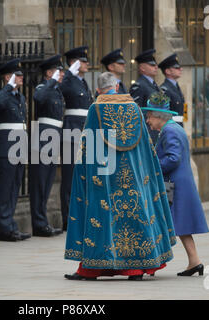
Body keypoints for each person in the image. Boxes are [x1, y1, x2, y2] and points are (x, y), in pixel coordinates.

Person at [64, 73, 176, 281]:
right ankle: (137, 269)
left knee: (101, 217)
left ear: (98, 90)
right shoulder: (133, 108)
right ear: (116, 86)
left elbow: (90, 147)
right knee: (135, 215)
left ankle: (91, 269)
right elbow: (144, 147)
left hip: (105, 178)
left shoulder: (95, 109)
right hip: (133, 176)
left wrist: (86, 176)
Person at [144, 91, 209, 276]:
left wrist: (153, 169)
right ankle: (194, 262)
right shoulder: (174, 128)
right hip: (179, 184)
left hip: (174, 186)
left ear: (158, 116)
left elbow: (173, 159)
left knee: (160, 224)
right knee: (180, 226)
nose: (148, 121)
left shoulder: (170, 130)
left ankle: (152, 265)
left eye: (149, 117)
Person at [0, 59, 31, 242]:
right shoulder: (0, 94)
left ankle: (10, 226)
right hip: (6, 148)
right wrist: (8, 87)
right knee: (5, 189)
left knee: (15, 188)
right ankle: (4, 229)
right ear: (8, 77)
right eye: (17, 75)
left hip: (19, 146)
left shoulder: (20, 97)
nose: (22, 78)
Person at [30, 55, 64, 237]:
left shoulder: (56, 89)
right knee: (40, 182)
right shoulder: (45, 86)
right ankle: (38, 223)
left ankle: (43, 221)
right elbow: (38, 97)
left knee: (48, 180)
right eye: (59, 72)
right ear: (49, 73)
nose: (62, 75)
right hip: (43, 135)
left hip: (54, 136)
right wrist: (51, 81)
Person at [60, 46, 93, 231]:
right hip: (71, 132)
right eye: (83, 60)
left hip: (84, 132)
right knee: (69, 178)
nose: (87, 63)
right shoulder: (69, 80)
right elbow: (60, 90)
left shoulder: (82, 82)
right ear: (74, 63)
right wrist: (69, 75)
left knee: (82, 176)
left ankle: (79, 216)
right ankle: (67, 218)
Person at [130, 49, 160, 143]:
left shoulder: (154, 85)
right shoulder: (139, 85)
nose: (156, 67)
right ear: (142, 68)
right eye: (152, 65)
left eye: (155, 65)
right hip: (147, 133)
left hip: (156, 132)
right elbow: (135, 112)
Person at [158, 53, 185, 127]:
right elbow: (163, 114)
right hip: (171, 128)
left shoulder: (176, 87)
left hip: (179, 126)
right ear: (168, 71)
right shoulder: (164, 90)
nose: (180, 69)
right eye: (176, 68)